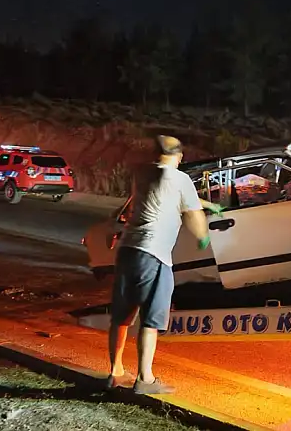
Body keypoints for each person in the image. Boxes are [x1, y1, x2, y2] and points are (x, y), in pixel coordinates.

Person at [105, 135, 222, 394]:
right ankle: (145, 380)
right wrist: (203, 237)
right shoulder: (180, 179)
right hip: (154, 254)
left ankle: (115, 373)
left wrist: (208, 203)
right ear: (178, 156)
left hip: (128, 251)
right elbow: (192, 213)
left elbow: (175, 197)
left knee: (122, 316)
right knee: (151, 318)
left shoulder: (142, 172)